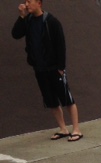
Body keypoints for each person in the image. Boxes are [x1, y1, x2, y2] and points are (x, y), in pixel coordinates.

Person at [12, 0, 83, 142]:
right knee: (51, 101)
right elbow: (16, 34)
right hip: (40, 69)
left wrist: (61, 68)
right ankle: (63, 129)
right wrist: (21, 16)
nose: (27, 4)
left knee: (67, 99)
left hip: (55, 69)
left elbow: (61, 45)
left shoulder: (52, 21)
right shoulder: (28, 21)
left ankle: (76, 129)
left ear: (39, 3)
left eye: (29, 1)